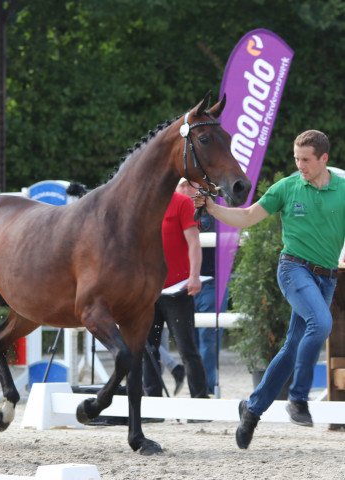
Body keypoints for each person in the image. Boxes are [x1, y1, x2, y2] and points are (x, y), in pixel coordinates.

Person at [194, 130, 345, 449]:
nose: (300, 165)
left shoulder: (343, 189)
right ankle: (298, 398)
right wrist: (212, 208)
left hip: (327, 277)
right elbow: (248, 216)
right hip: (293, 269)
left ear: (324, 159)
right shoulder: (288, 188)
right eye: (296, 159)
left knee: (292, 348)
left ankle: (252, 409)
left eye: (306, 160)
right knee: (322, 324)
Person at [143, 189, 209, 402]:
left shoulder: (181, 203)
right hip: (149, 290)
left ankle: (199, 402)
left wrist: (194, 275)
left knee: (186, 347)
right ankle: (152, 402)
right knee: (148, 348)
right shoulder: (145, 204)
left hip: (177, 289)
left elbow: (194, 243)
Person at [177, 177, 227, 396]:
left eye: (190, 184)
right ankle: (197, 391)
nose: (186, 188)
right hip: (181, 284)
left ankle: (204, 390)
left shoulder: (212, 212)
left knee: (207, 337)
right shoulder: (172, 211)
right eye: (182, 185)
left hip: (211, 282)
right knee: (187, 340)